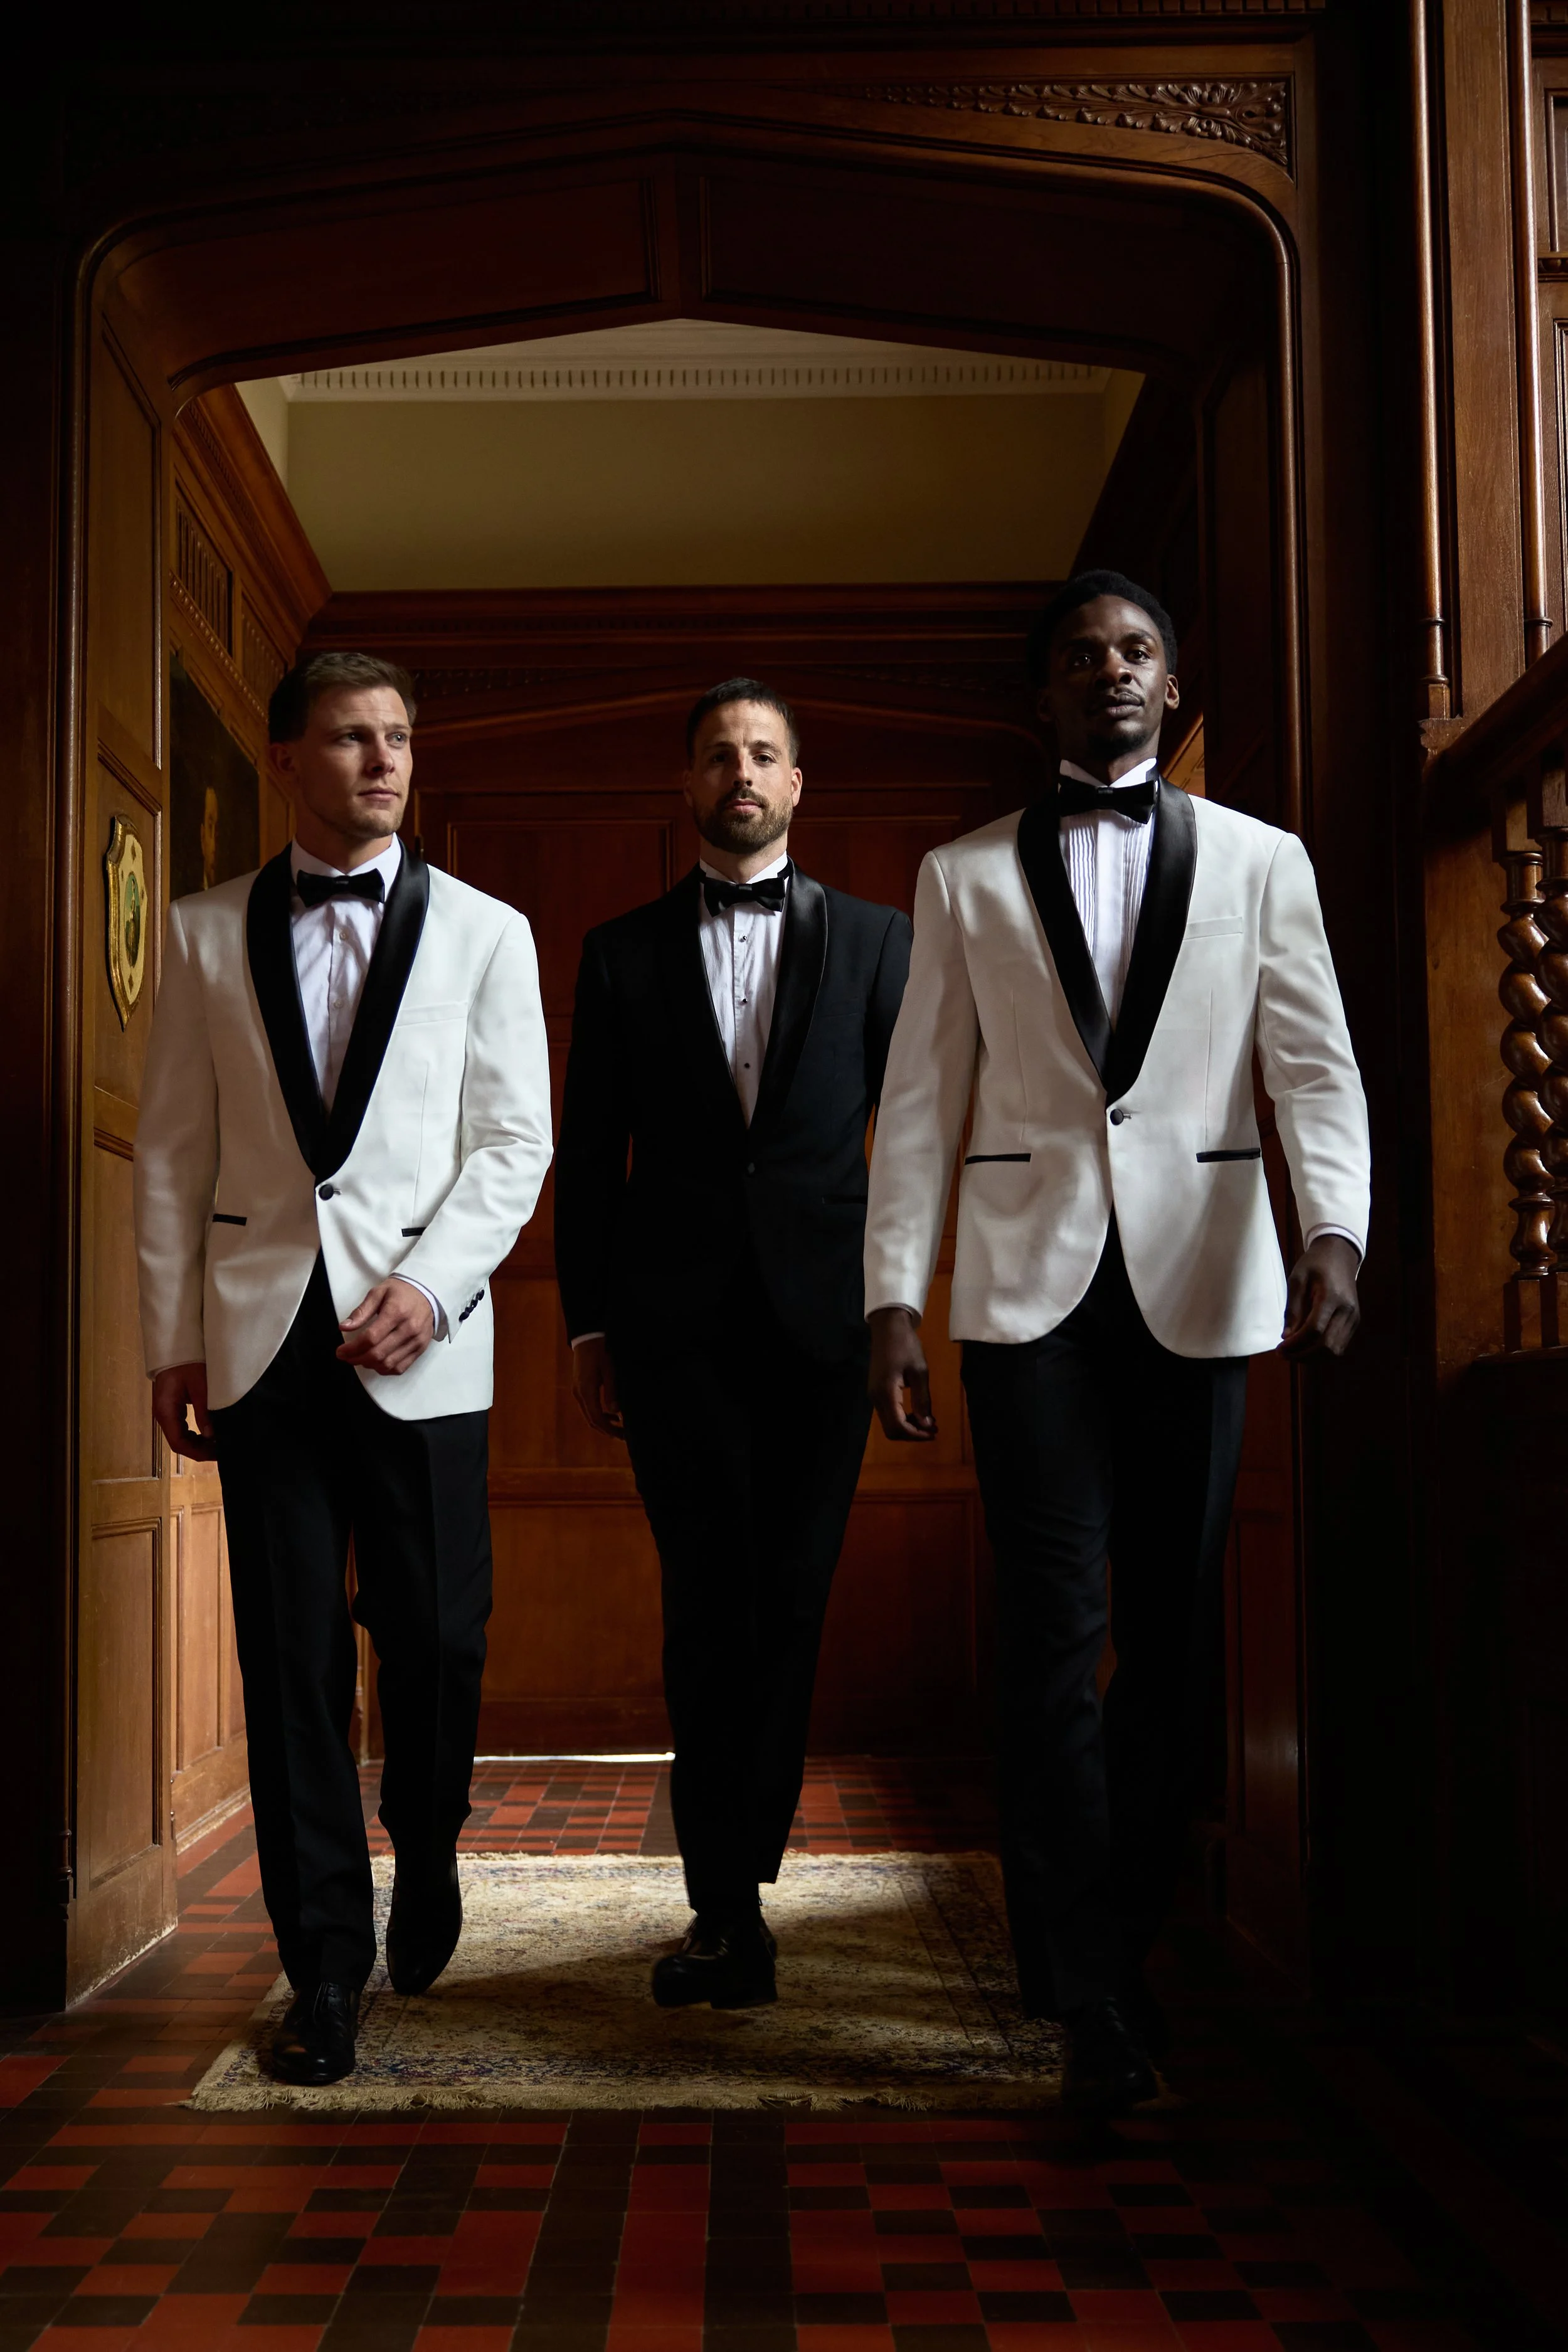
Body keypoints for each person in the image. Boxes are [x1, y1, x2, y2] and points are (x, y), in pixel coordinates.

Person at [863, 572, 1370, 2114]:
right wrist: (892, 1293)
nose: (1110, 674)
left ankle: (1124, 1946)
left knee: (1170, 1636)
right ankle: (1076, 1975)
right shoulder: (958, 879)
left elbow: (1314, 1067)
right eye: (1081, 657)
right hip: (1026, 1298)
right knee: (1045, 1636)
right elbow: (917, 1103)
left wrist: (1330, 1238)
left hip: (1204, 1285)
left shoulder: (1261, 862)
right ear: (1044, 697)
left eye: (1135, 651)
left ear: (1168, 679)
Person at [134, 650, 552, 2087]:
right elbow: (174, 1152)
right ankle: (323, 1963)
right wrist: (171, 1334)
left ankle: (426, 1844)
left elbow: (513, 1145)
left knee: (437, 1639)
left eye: (396, 739)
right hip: (259, 1344)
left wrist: (432, 1289)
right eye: (349, 738)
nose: (382, 760)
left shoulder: (490, 935)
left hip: (425, 1350)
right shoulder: (199, 936)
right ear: (286, 758)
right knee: (291, 1658)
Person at [554, 678, 911, 2009]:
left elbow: (915, 1142)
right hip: (671, 1330)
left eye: (762, 753)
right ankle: (723, 1906)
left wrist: (897, 1311)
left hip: (825, 1327)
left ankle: (746, 1860)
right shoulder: (618, 950)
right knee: (706, 1603)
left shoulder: (881, 944)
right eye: (717, 754)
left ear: (797, 784)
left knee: (792, 1598)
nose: (740, 771)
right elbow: (589, 1154)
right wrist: (588, 1321)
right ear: (687, 783)